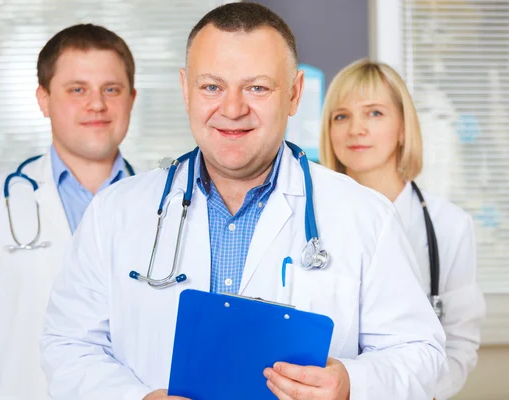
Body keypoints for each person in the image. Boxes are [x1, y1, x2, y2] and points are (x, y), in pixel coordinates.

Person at [40, 4, 446, 400]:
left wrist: (353, 383)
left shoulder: (365, 215)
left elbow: (422, 354)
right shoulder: (115, 212)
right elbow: (68, 346)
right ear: (186, 90)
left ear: (294, 94)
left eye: (257, 87)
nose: (232, 109)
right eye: (212, 87)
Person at [0, 24, 137, 400]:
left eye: (111, 89)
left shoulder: (167, 207)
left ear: (131, 98)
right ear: (43, 99)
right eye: (77, 89)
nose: (97, 104)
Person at [319, 59, 486, 400]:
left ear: (403, 128)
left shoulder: (450, 225)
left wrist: (421, 390)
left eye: (375, 113)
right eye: (341, 116)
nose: (356, 129)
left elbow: (458, 342)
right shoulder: (310, 218)